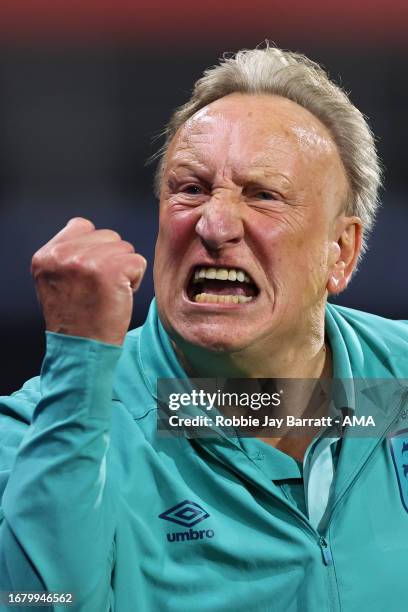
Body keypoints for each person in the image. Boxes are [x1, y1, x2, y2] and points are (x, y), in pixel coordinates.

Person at [0, 45, 407, 612]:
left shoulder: (400, 384)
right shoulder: (41, 432)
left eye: (263, 195)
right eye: (189, 189)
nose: (214, 224)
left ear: (341, 252)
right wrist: (79, 364)